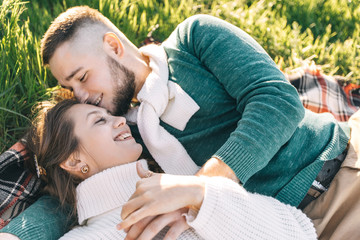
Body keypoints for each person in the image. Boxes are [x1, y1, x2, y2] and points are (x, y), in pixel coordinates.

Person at [1, 6, 358, 239]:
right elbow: (71, 195)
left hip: (338, 172)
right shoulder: (124, 135)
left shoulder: (194, 39)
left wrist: (200, 188)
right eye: (69, 87)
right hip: (279, 224)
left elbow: (277, 101)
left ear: (112, 45)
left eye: (82, 77)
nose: (80, 95)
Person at [22, 99, 316, 239]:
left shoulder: (186, 186)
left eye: (112, 115)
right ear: (74, 161)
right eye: (99, 121)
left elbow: (301, 233)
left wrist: (202, 194)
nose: (121, 121)